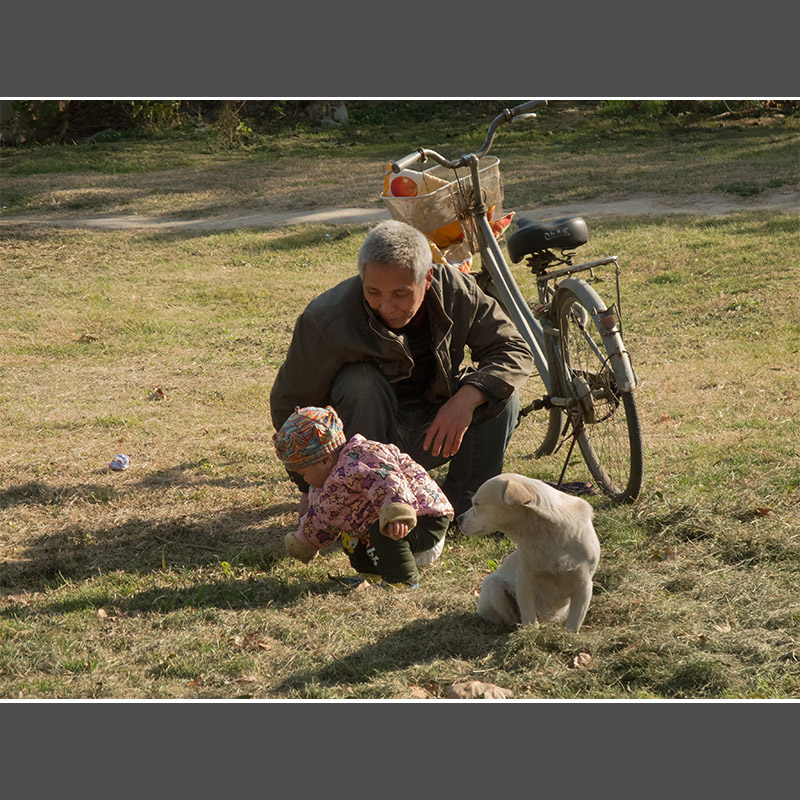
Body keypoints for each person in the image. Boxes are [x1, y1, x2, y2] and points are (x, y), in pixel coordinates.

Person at [270, 219, 534, 517]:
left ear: (428, 278)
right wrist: (308, 486)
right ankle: (368, 503)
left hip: (436, 431)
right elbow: (290, 406)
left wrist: (467, 398)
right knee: (360, 382)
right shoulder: (326, 319)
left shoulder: (457, 290)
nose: (386, 307)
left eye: (400, 294)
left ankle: (464, 509)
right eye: (373, 292)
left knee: (499, 392)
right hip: (363, 437)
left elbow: (513, 348)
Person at [273, 405, 454, 589]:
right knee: (351, 536)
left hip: (422, 516)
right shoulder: (320, 489)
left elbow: (389, 481)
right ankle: (371, 576)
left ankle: (401, 581)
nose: (304, 480)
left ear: (325, 460)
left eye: (303, 473)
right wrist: (305, 542)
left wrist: (397, 512)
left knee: (382, 534)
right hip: (380, 522)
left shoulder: (361, 458)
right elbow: (321, 518)